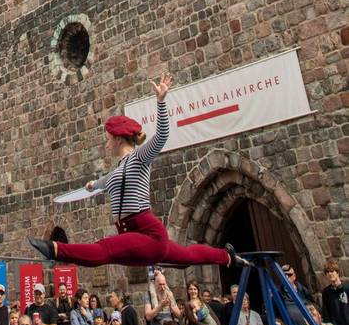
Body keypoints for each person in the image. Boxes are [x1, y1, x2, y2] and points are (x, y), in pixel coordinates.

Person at [28, 74, 248, 269]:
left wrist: (161, 102)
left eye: (108, 140)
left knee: (103, 250)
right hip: (130, 235)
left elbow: (161, 136)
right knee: (187, 256)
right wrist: (92, 185)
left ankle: (54, 249)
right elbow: (106, 181)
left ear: (117, 139)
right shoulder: (118, 168)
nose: (106, 145)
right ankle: (227, 257)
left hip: (147, 234)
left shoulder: (140, 157)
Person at [321, 260, 349, 325]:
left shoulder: (347, 287)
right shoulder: (326, 292)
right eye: (327, 272)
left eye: (332, 271)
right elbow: (326, 313)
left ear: (337, 272)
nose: (330, 274)